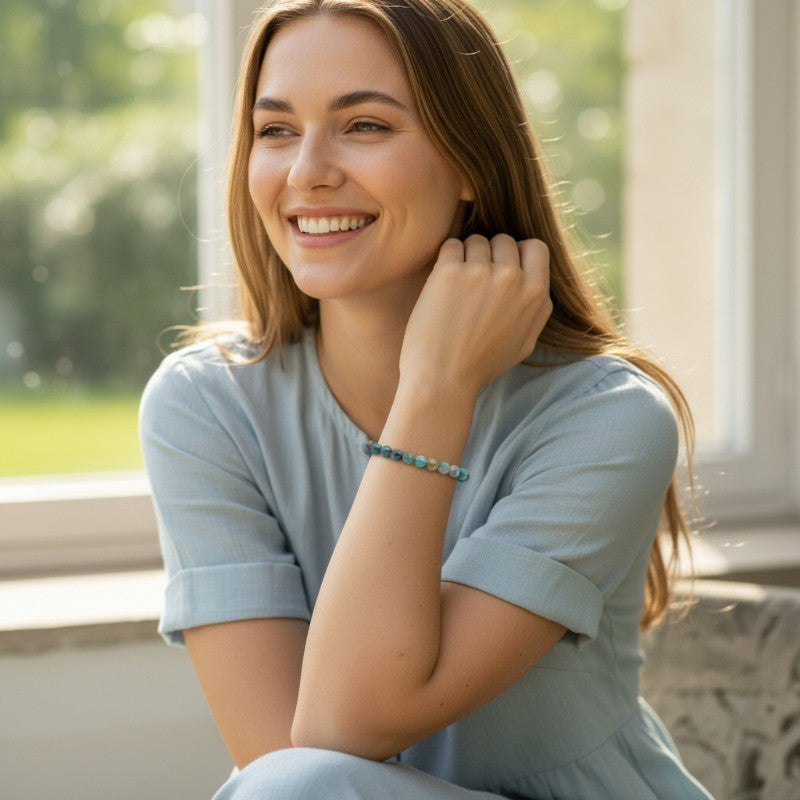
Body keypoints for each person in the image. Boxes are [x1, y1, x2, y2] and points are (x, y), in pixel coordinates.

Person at [139, 0, 714, 797]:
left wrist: (438, 389)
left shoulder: (608, 418)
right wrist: (433, 392)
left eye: (364, 126)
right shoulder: (206, 405)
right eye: (275, 131)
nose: (307, 170)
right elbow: (294, 758)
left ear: (472, 160)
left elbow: (343, 729)